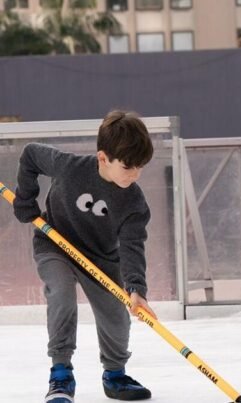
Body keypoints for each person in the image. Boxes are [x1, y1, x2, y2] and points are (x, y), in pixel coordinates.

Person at [13, 111, 156, 403]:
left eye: (140, 167)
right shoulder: (69, 167)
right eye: (128, 167)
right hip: (55, 244)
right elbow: (30, 156)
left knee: (116, 315)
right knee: (62, 294)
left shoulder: (134, 202)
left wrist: (136, 288)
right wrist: (25, 199)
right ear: (103, 158)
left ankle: (114, 375)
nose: (135, 174)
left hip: (101, 259)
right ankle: (61, 373)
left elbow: (132, 245)